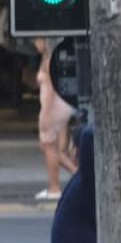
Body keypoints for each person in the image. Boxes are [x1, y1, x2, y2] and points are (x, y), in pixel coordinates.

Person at [35, 38, 76, 200]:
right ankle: (79, 175)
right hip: (56, 106)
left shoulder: (50, 59)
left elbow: (52, 88)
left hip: (52, 106)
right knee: (50, 147)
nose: (35, 43)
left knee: (49, 146)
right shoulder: (49, 57)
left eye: (38, 40)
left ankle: (55, 187)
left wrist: (46, 113)